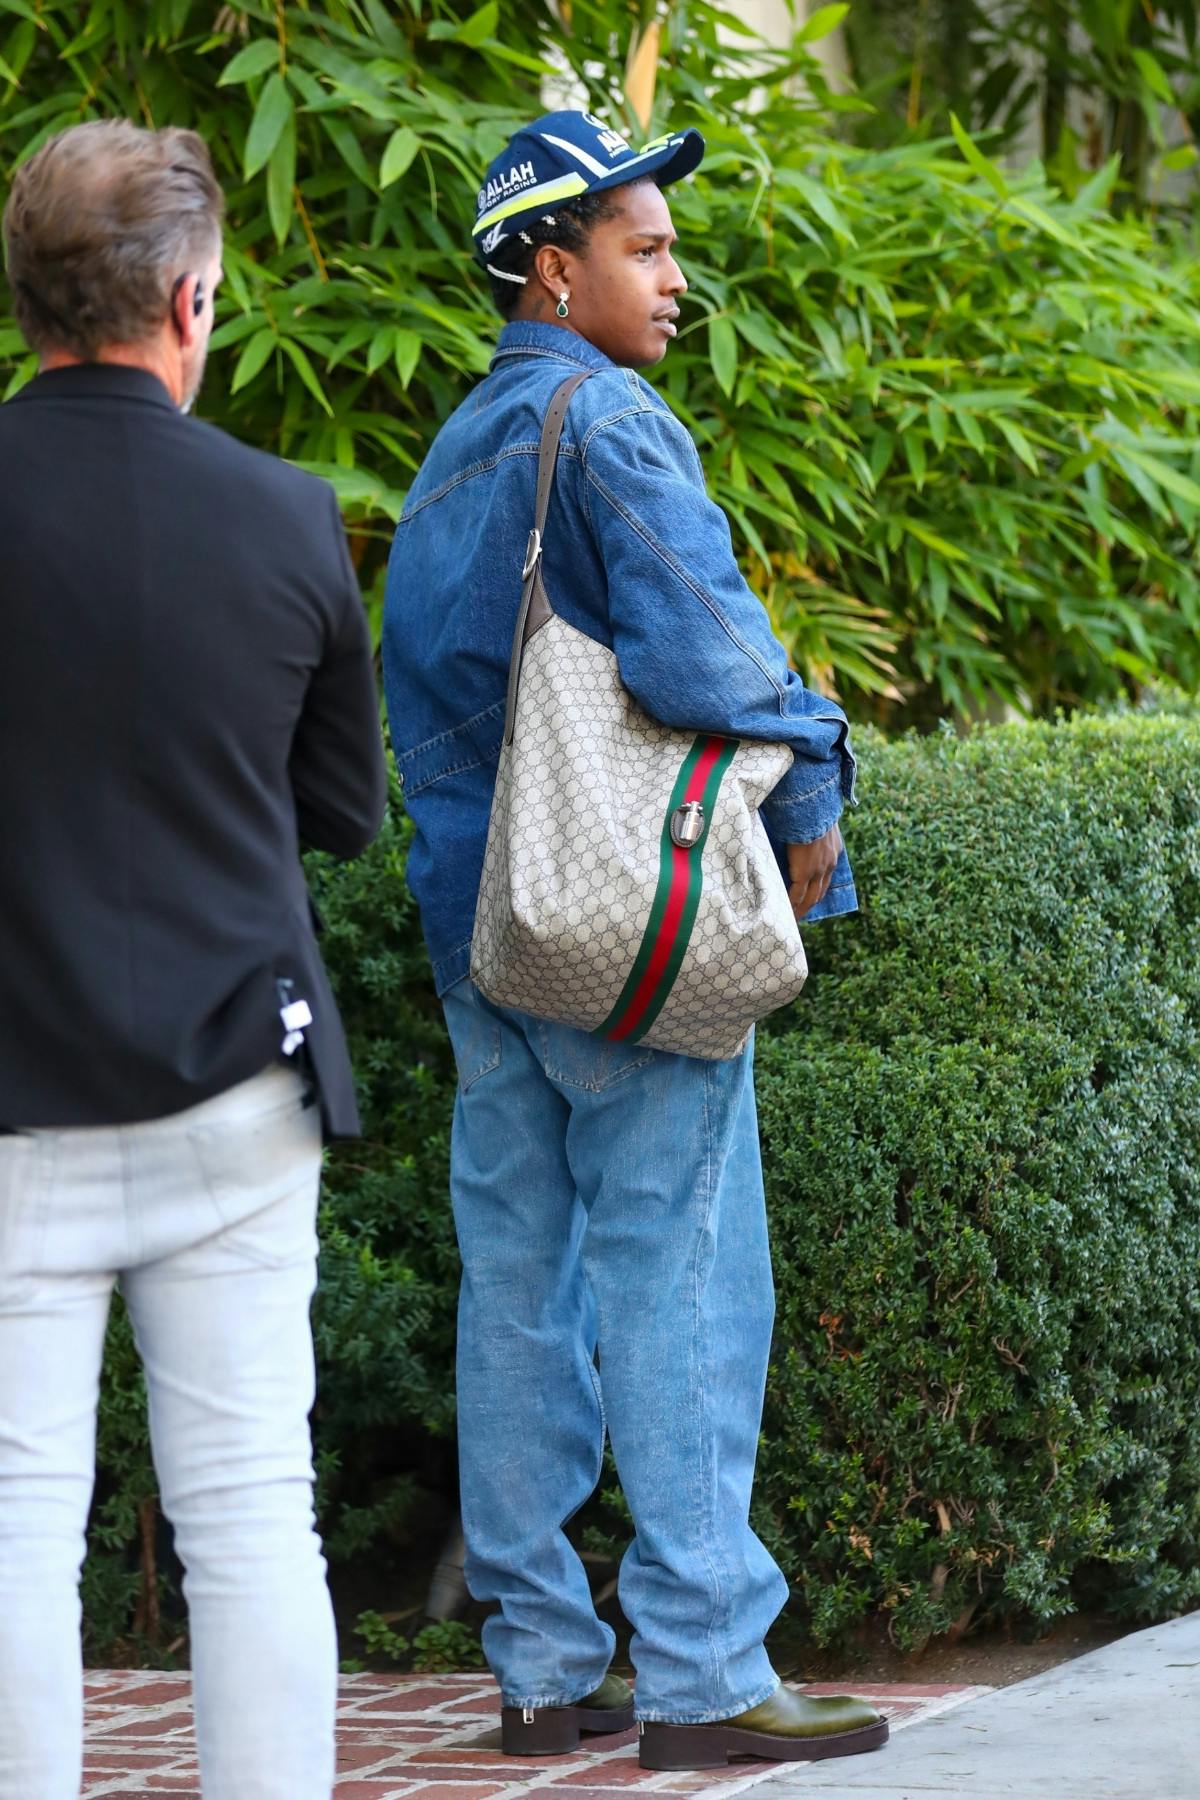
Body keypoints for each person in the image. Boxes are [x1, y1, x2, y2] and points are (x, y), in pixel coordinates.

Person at [383, 111, 886, 1769]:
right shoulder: (614, 427)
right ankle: (703, 1672)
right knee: (681, 1270)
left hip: (482, 937)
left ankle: (541, 1667)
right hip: (622, 939)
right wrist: (815, 790)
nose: (678, 278)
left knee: (519, 1282)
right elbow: (716, 664)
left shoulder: (453, 454)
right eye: (645, 246)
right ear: (551, 265)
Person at [0, 120, 387, 1799]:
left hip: (8, 1104)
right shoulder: (286, 516)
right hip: (238, 1088)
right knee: (249, 1518)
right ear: (188, 302)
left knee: (11, 1528)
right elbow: (344, 812)